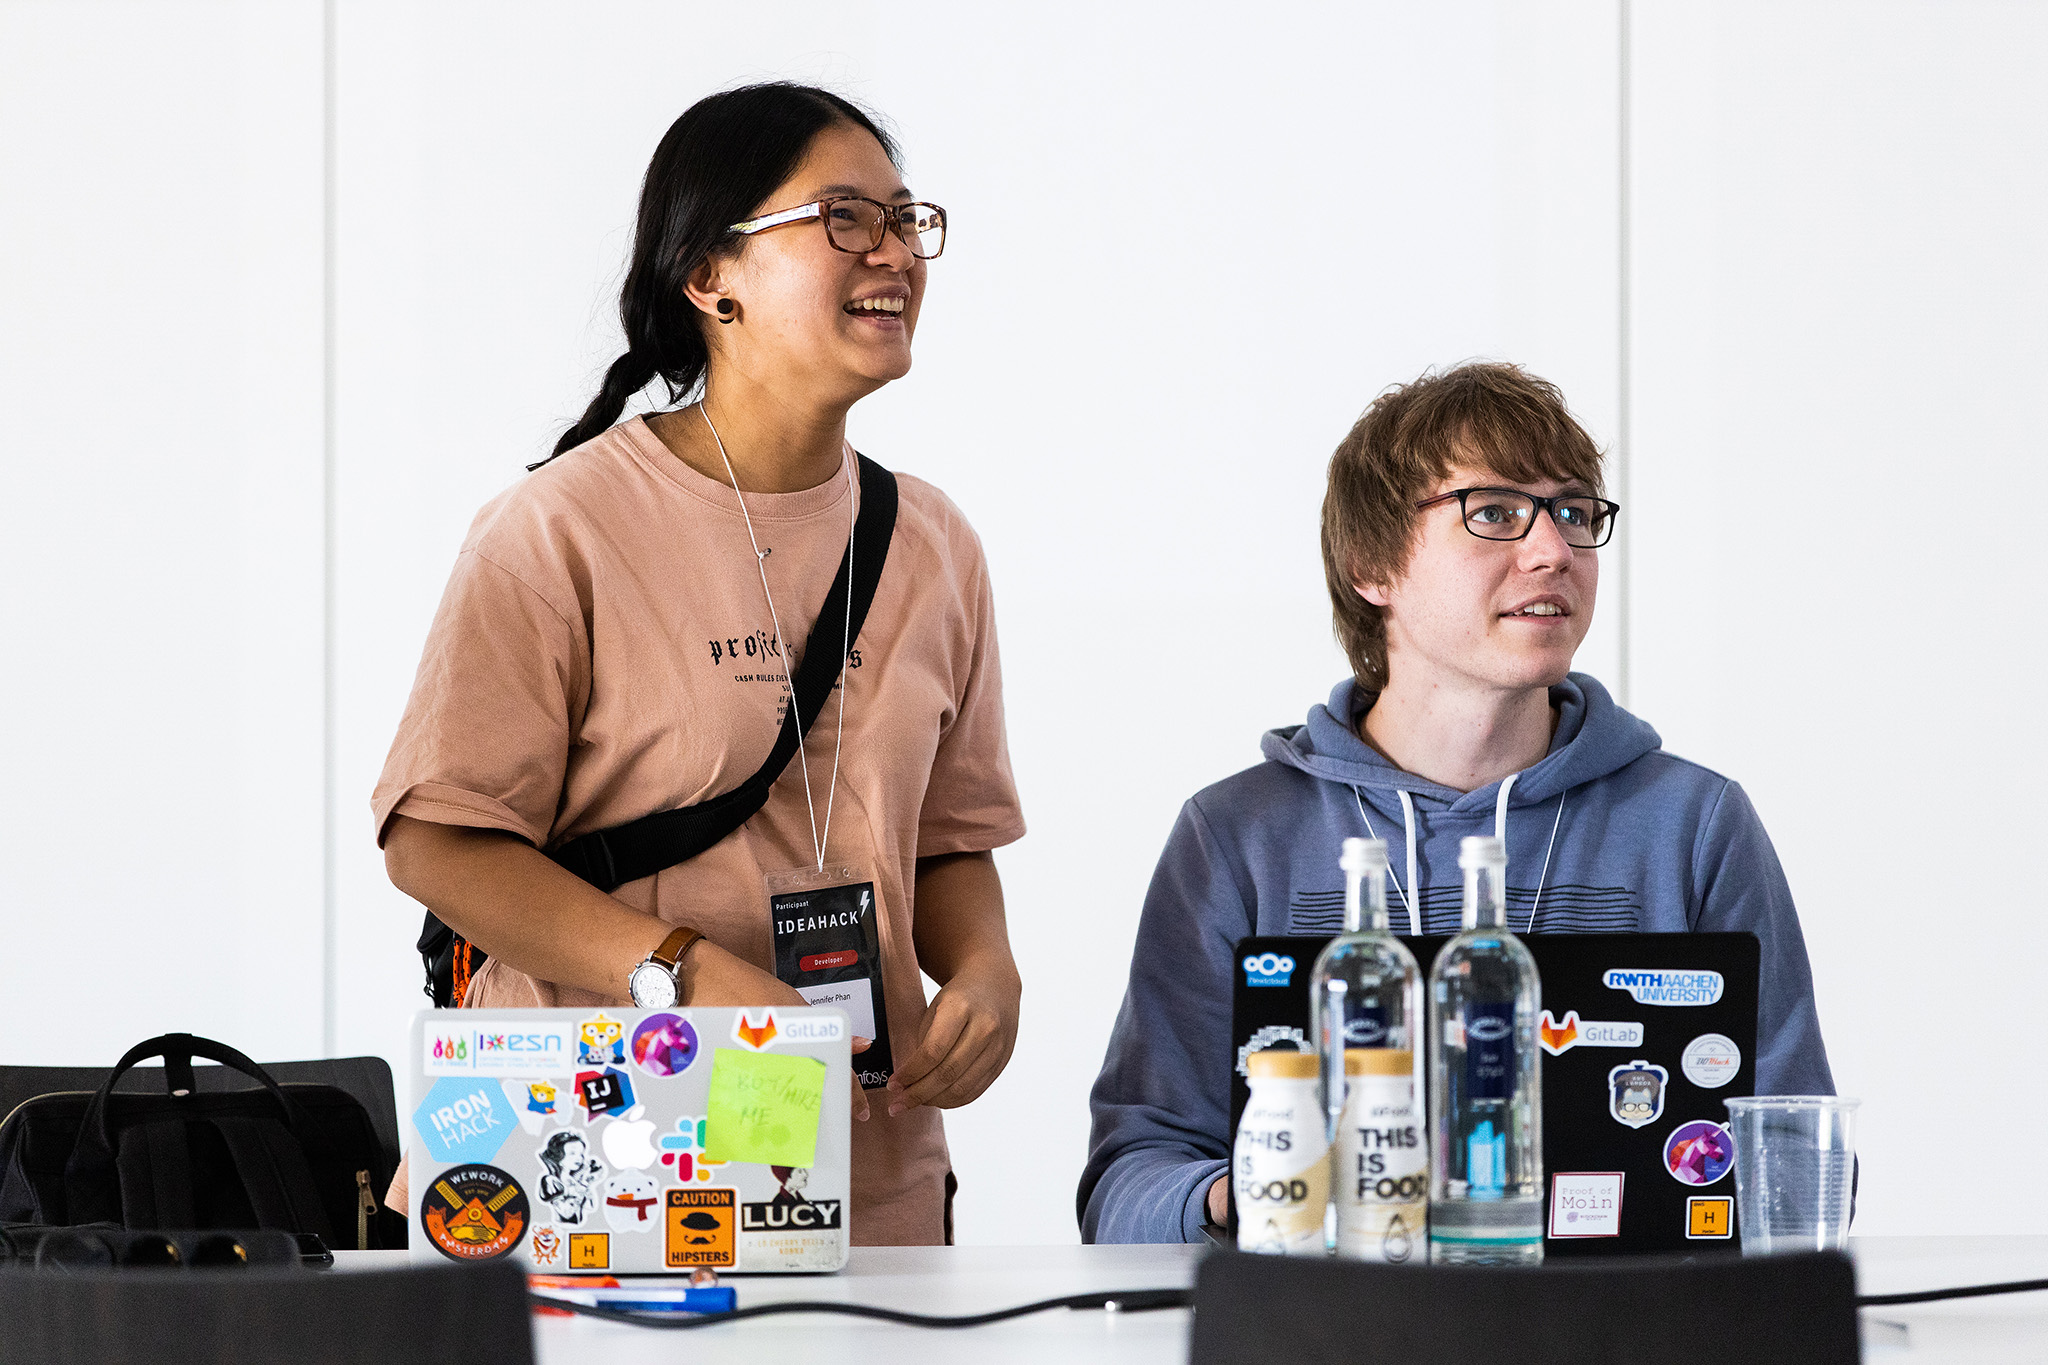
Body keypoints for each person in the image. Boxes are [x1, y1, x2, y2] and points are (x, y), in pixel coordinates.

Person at [374, 83, 1025, 1246]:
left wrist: (985, 973)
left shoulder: (933, 544)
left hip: (856, 1165)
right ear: (710, 277)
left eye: (902, 218)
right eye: (842, 217)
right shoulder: (556, 532)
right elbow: (435, 841)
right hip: (601, 1160)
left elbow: (945, 840)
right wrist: (684, 972)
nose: (891, 250)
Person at [1078, 362, 1833, 1244]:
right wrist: (1249, 1194)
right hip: (1328, 1314)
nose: (1554, 550)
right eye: (1497, 512)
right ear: (1372, 566)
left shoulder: (1697, 826)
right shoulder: (1237, 837)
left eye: (1574, 512)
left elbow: (1799, 1161)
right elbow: (1125, 1189)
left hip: (1625, 1316)